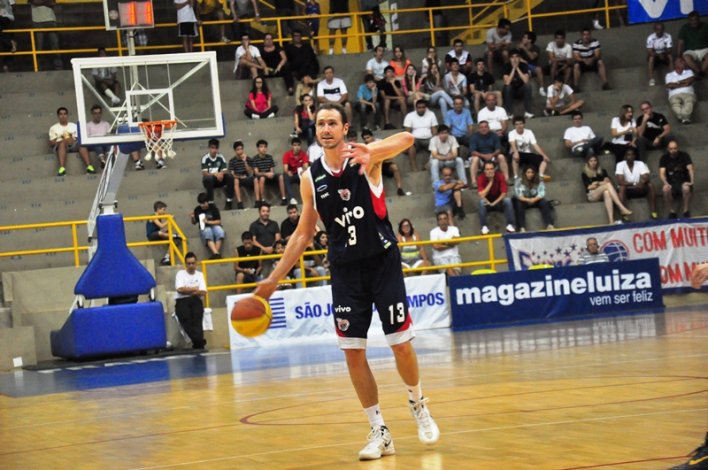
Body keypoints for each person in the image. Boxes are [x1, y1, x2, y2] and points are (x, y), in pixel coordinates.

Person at [254, 103, 440, 461]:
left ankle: (418, 402)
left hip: (382, 262)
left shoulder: (366, 156)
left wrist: (374, 151)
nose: (325, 128)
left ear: (345, 128)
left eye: (332, 123)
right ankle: (379, 430)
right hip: (345, 271)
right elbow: (303, 234)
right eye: (320, 123)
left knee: (401, 344)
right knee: (353, 352)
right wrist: (273, 279)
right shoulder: (310, 178)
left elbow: (407, 137)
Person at [581, 155, 632, 225]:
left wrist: (597, 183)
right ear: (588, 162)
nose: (593, 163)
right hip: (592, 195)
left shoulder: (602, 171)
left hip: (602, 194)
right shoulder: (584, 173)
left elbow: (608, 182)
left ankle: (611, 221)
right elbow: (589, 187)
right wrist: (601, 183)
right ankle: (621, 207)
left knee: (607, 192)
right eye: (591, 161)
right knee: (607, 186)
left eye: (595, 160)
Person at [362, 129, 410, 196]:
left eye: (368, 137)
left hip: (384, 163)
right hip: (374, 166)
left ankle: (400, 189)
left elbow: (390, 156)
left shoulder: (381, 143)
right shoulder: (364, 147)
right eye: (364, 139)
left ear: (372, 136)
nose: (366, 140)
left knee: (394, 167)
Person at [175, 252, 208, 349]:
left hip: (195, 300)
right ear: (185, 264)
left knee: (197, 321)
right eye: (189, 263)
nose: (191, 265)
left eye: (193, 263)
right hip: (182, 301)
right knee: (185, 320)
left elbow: (203, 291)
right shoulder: (180, 274)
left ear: (196, 263)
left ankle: (198, 343)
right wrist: (194, 289)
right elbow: (180, 289)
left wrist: (188, 290)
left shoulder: (200, 275)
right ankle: (199, 341)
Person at [49, 107, 95, 176]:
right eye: (61, 114)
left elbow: (78, 138)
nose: (63, 116)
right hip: (60, 147)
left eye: (65, 114)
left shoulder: (74, 126)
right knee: (62, 143)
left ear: (67, 115)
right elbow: (52, 143)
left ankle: (89, 167)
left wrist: (71, 140)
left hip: (74, 145)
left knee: (81, 144)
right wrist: (62, 141)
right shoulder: (53, 128)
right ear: (58, 116)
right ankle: (62, 169)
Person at [615, 148, 657, 221]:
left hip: (639, 188)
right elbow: (620, 181)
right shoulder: (620, 165)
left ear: (635, 156)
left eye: (632, 155)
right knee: (622, 188)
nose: (630, 156)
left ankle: (654, 213)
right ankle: (624, 215)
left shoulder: (640, 163)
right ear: (625, 157)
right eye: (628, 155)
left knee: (650, 185)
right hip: (627, 190)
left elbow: (646, 177)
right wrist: (634, 183)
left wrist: (642, 182)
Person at [477, 161, 516, 234]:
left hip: (498, 202)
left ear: (494, 169)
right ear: (484, 171)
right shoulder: (480, 178)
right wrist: (491, 182)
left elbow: (504, 193)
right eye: (487, 169)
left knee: (508, 201)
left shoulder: (500, 176)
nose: (490, 171)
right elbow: (481, 195)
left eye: (491, 169)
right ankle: (484, 226)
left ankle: (510, 225)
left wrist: (494, 203)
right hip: (487, 202)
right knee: (481, 203)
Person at [659, 139, 694, 219]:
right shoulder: (664, 158)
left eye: (675, 148)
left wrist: (691, 181)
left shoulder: (684, 155)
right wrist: (666, 183)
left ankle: (686, 210)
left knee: (686, 188)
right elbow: (662, 173)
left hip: (684, 181)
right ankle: (672, 211)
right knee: (665, 190)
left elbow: (690, 168)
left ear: (678, 148)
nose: (673, 151)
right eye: (671, 149)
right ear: (668, 149)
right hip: (671, 183)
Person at [508, 115, 551, 181]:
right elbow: (512, 144)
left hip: (527, 153)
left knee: (543, 159)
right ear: (514, 125)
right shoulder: (511, 133)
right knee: (514, 156)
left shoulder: (529, 132)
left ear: (524, 124)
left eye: (521, 123)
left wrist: (544, 155)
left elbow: (535, 145)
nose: (519, 126)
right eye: (517, 124)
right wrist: (516, 152)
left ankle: (541, 175)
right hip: (517, 153)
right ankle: (516, 177)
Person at [513, 166, 554, 232]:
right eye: (528, 172)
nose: (530, 174)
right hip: (524, 200)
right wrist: (528, 200)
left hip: (535, 199)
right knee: (518, 204)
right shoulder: (519, 181)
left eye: (532, 172)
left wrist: (534, 199)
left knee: (544, 202)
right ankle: (522, 227)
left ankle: (549, 224)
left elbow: (542, 193)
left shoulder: (539, 180)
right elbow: (518, 195)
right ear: (525, 173)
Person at [469, 120, 508, 185]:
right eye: (481, 127)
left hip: (492, 157)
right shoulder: (474, 137)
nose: (483, 129)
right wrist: (484, 156)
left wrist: (492, 155)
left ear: (489, 128)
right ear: (478, 129)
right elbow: (473, 151)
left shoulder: (494, 136)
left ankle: (506, 179)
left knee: (501, 156)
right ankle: (473, 181)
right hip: (480, 158)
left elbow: (498, 149)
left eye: (485, 127)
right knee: (475, 159)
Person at [403, 99, 438, 172]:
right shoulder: (410, 116)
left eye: (423, 107)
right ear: (416, 108)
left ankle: (428, 164)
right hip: (415, 139)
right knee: (411, 146)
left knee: (436, 145)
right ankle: (414, 168)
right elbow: (407, 132)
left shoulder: (431, 114)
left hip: (428, 138)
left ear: (426, 107)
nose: (421, 109)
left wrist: (434, 140)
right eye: (419, 107)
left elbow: (434, 130)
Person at [201, 138, 235, 210]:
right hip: (209, 180)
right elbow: (204, 173)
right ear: (209, 148)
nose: (214, 150)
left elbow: (225, 170)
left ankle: (229, 201)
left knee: (230, 177)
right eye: (212, 148)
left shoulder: (220, 157)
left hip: (219, 179)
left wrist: (221, 174)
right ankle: (211, 203)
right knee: (209, 178)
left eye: (216, 148)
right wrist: (215, 174)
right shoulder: (205, 158)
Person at [572, 27, 610, 91]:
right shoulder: (576, 44)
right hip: (582, 63)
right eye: (584, 35)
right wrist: (584, 60)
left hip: (593, 62)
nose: (586, 37)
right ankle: (575, 86)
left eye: (588, 35)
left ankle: (605, 83)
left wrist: (591, 59)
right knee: (576, 65)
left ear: (590, 35)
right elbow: (576, 57)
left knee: (600, 62)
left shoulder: (595, 42)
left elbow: (597, 55)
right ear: (581, 36)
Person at [251, 139, 287, 206]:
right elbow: (256, 173)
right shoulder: (254, 159)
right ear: (258, 148)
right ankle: (263, 200)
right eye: (261, 147)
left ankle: (284, 198)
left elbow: (272, 170)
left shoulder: (269, 157)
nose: (263, 149)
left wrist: (271, 174)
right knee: (262, 178)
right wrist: (266, 174)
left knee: (281, 176)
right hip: (261, 176)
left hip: (269, 175)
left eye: (265, 147)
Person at [249, 203, 281, 276]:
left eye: (267, 211)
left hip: (274, 253)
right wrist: (264, 249)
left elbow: (278, 238)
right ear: (259, 212)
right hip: (259, 254)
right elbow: (253, 241)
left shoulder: (274, 224)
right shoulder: (253, 225)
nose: (265, 213)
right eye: (263, 211)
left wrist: (272, 247)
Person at [190, 192, 225, 259]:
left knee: (220, 231)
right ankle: (216, 254)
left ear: (207, 202)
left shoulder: (213, 208)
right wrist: (192, 218)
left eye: (204, 203)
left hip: (214, 225)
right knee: (208, 231)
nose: (202, 205)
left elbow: (219, 221)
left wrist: (208, 222)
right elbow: (194, 223)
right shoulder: (197, 209)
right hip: (204, 228)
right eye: (200, 203)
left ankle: (215, 254)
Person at [30, 0, 62, 70]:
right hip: (38, 21)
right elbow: (34, 2)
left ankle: (58, 67)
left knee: (55, 45)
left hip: (49, 20)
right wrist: (46, 2)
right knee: (39, 47)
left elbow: (53, 3)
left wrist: (40, 2)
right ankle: (38, 67)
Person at [502, 49, 534, 118]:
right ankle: (509, 113)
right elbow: (507, 82)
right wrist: (513, 69)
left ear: (519, 58)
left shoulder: (524, 65)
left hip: (521, 89)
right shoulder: (506, 66)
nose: (514, 59)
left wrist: (517, 68)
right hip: (510, 90)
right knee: (507, 87)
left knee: (528, 85)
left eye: (517, 56)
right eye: (512, 57)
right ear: (509, 59)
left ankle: (528, 112)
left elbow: (526, 80)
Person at [429, 210, 462, 277]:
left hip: (454, 256)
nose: (443, 221)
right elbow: (436, 247)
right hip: (440, 258)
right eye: (440, 219)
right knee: (449, 270)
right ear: (438, 222)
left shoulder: (454, 229)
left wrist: (443, 242)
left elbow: (457, 241)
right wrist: (451, 244)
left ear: (448, 220)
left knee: (456, 272)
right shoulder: (433, 232)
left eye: (445, 218)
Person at [665, 57, 697, 124]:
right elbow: (669, 85)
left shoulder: (689, 72)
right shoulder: (669, 75)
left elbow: (690, 80)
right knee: (675, 104)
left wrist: (677, 83)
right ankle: (685, 118)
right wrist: (684, 83)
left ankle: (682, 117)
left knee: (689, 101)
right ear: (676, 64)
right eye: (681, 61)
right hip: (674, 95)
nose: (684, 63)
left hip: (688, 93)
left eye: (683, 61)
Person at [677, 10, 708, 77]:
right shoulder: (685, 28)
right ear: (689, 21)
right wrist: (678, 56)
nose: (694, 22)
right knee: (686, 57)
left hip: (704, 49)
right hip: (691, 51)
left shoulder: (705, 26)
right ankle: (699, 71)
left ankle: (702, 72)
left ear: (699, 19)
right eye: (692, 20)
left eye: (696, 19)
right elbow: (680, 42)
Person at [228, 140, 257, 209]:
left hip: (247, 178)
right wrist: (240, 177)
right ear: (235, 151)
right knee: (235, 180)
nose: (240, 151)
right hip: (238, 179)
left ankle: (258, 201)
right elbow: (232, 174)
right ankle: (239, 203)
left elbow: (251, 172)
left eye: (241, 149)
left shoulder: (248, 158)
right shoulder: (232, 161)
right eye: (238, 149)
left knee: (255, 179)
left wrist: (245, 161)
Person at [81, 104, 112, 169]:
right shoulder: (88, 125)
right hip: (93, 144)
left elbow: (109, 136)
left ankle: (108, 162)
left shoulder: (106, 124)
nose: (97, 115)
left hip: (105, 143)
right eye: (95, 113)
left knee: (109, 145)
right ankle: (102, 161)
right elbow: (87, 138)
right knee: (97, 144)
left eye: (99, 113)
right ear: (92, 114)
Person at [146, 200, 175, 266]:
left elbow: (161, 229)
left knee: (172, 240)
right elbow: (161, 226)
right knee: (161, 233)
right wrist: (169, 219)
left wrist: (170, 226)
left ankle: (167, 257)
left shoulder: (159, 217)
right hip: (151, 235)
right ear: (158, 209)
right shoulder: (153, 216)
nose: (164, 212)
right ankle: (173, 235)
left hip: (158, 234)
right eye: (163, 210)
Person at [518, 31, 545, 97]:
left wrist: (524, 48)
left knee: (538, 69)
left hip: (532, 66)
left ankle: (541, 89)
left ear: (530, 40)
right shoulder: (519, 47)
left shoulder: (536, 48)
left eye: (525, 38)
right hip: (522, 65)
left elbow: (532, 57)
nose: (523, 39)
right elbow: (515, 56)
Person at [283, 137, 309, 204]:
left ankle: (307, 199)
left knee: (306, 176)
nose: (297, 147)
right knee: (285, 176)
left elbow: (306, 166)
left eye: (298, 145)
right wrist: (288, 172)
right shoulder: (287, 154)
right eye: (295, 145)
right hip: (291, 175)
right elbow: (285, 169)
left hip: (299, 174)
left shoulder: (303, 154)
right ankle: (292, 198)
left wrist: (304, 170)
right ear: (292, 146)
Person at [646, 21, 673, 87]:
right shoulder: (650, 38)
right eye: (658, 30)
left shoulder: (668, 36)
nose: (659, 31)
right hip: (655, 56)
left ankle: (673, 76)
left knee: (670, 56)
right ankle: (651, 79)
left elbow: (669, 50)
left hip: (664, 55)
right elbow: (650, 51)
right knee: (651, 58)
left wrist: (663, 54)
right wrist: (658, 55)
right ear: (654, 30)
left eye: (661, 29)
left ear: (663, 29)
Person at [380, 65, 407, 129]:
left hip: (395, 102)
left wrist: (393, 84)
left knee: (402, 100)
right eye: (388, 72)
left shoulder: (396, 82)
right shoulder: (381, 82)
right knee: (387, 100)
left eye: (392, 72)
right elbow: (384, 96)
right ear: (385, 74)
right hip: (384, 102)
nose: (390, 73)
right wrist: (397, 98)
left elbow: (400, 95)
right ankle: (387, 123)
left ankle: (406, 122)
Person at [0, 0, 17, 73]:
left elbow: (14, 6)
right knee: (5, 39)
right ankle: (11, 41)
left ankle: (6, 65)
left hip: (7, 18)